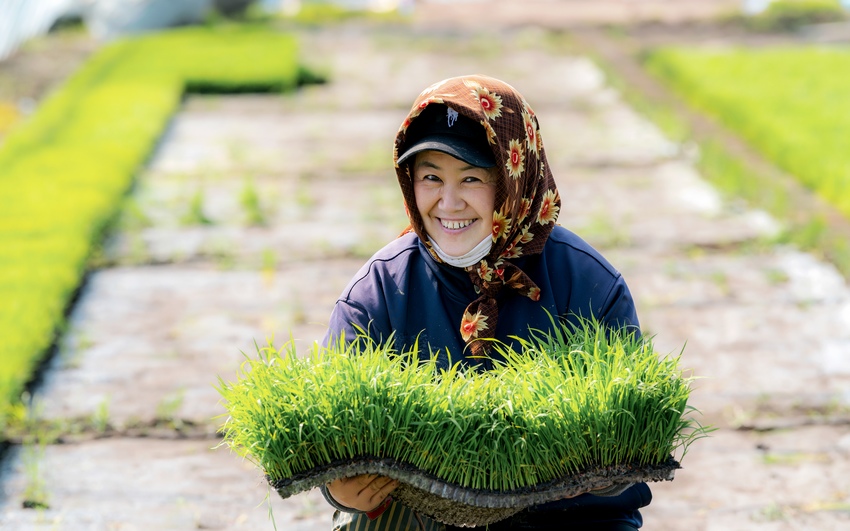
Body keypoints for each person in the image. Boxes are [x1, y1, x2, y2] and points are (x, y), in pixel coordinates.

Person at [320, 75, 651, 530]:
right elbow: (327, 432)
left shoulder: (588, 283)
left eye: (471, 178)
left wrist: (600, 472)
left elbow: (634, 430)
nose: (448, 202)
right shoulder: (377, 293)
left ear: (516, 178)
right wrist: (339, 488)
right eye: (431, 177)